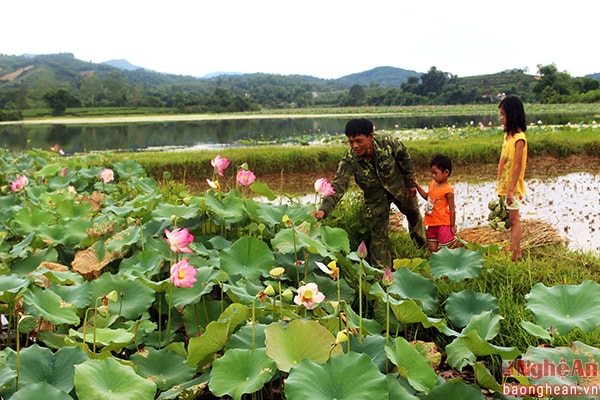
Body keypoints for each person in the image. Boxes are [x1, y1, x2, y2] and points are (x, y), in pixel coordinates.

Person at [313, 118, 426, 268]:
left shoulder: (387, 142)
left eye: (359, 141)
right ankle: (382, 273)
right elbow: (338, 186)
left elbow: (404, 156)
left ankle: (424, 249)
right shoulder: (350, 161)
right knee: (379, 235)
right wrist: (323, 210)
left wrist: (410, 182)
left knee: (413, 214)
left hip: (399, 187)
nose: (355, 146)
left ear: (370, 137)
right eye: (351, 141)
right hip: (376, 198)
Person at [497, 95, 528, 261]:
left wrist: (510, 190)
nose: (501, 118)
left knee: (514, 220)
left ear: (513, 114)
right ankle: (516, 250)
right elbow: (504, 160)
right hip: (504, 185)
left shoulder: (519, 139)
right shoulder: (507, 136)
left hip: (513, 187)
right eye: (500, 114)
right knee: (510, 219)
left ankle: (515, 254)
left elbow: (517, 167)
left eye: (503, 114)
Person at [415, 154, 456, 252]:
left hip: (443, 223)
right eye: (432, 173)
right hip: (432, 223)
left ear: (446, 172)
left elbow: (452, 209)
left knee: (445, 249)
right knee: (432, 248)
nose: (433, 176)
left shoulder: (448, 190)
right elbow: (427, 197)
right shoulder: (432, 184)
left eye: (435, 173)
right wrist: (417, 185)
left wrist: (452, 225)